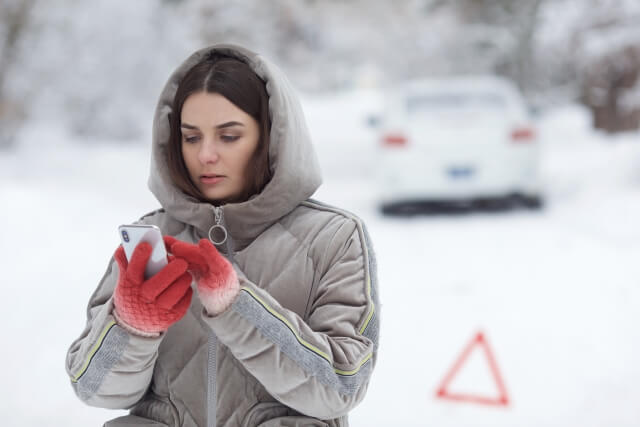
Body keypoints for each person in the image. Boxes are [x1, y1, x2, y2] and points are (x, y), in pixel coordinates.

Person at [65, 44, 380, 427]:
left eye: (229, 136)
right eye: (191, 137)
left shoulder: (333, 237)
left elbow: (341, 388)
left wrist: (237, 306)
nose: (206, 155)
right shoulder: (156, 236)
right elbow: (94, 389)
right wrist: (132, 326)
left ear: (272, 138)